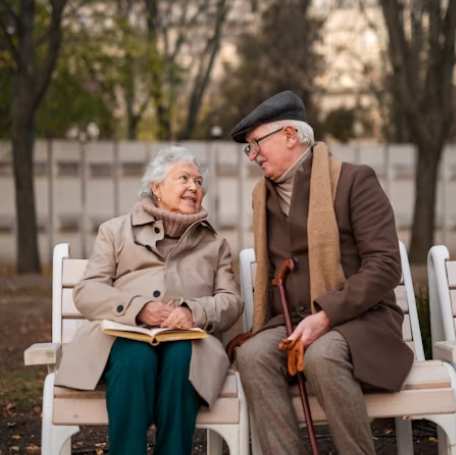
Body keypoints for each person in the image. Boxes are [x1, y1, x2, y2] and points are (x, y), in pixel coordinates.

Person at [230, 91, 414, 455]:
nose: (252, 156)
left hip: (360, 321)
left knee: (322, 354)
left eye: (256, 144)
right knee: (251, 355)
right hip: (292, 321)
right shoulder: (261, 196)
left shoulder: (354, 181)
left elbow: (385, 265)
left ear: (289, 135)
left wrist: (326, 314)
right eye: (248, 148)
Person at [56, 145, 244, 455]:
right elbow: (88, 290)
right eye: (183, 178)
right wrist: (138, 309)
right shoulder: (115, 231)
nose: (193, 187)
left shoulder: (215, 243)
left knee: (183, 358)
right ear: (156, 188)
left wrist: (192, 311)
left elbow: (231, 301)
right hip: (124, 335)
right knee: (135, 359)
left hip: (187, 339)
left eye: (198, 182)